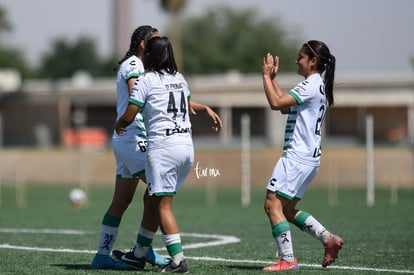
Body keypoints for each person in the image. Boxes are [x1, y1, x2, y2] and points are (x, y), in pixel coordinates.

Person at [91, 26, 221, 271]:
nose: (158, 41)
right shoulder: (134, 66)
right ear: (143, 44)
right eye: (154, 38)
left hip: (136, 138)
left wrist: (201, 106)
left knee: (125, 200)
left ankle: (106, 254)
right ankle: (148, 250)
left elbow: (165, 98)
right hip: (133, 139)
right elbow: (138, 98)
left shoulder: (154, 74)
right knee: (157, 197)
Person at [112, 36, 201, 273]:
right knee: (153, 198)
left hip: (163, 149)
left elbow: (130, 115)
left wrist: (118, 124)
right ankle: (139, 254)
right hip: (186, 148)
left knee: (163, 205)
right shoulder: (180, 78)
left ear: (150, 55)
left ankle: (178, 260)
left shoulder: (146, 79)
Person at [261, 40, 343, 271]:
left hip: (296, 157)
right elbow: (286, 106)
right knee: (285, 210)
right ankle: (328, 239)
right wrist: (274, 80)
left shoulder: (310, 85)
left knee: (271, 205)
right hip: (309, 159)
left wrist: (266, 76)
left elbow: (276, 103)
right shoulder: (316, 86)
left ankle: (288, 260)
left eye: (300, 57)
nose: (296, 60)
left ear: (313, 61)